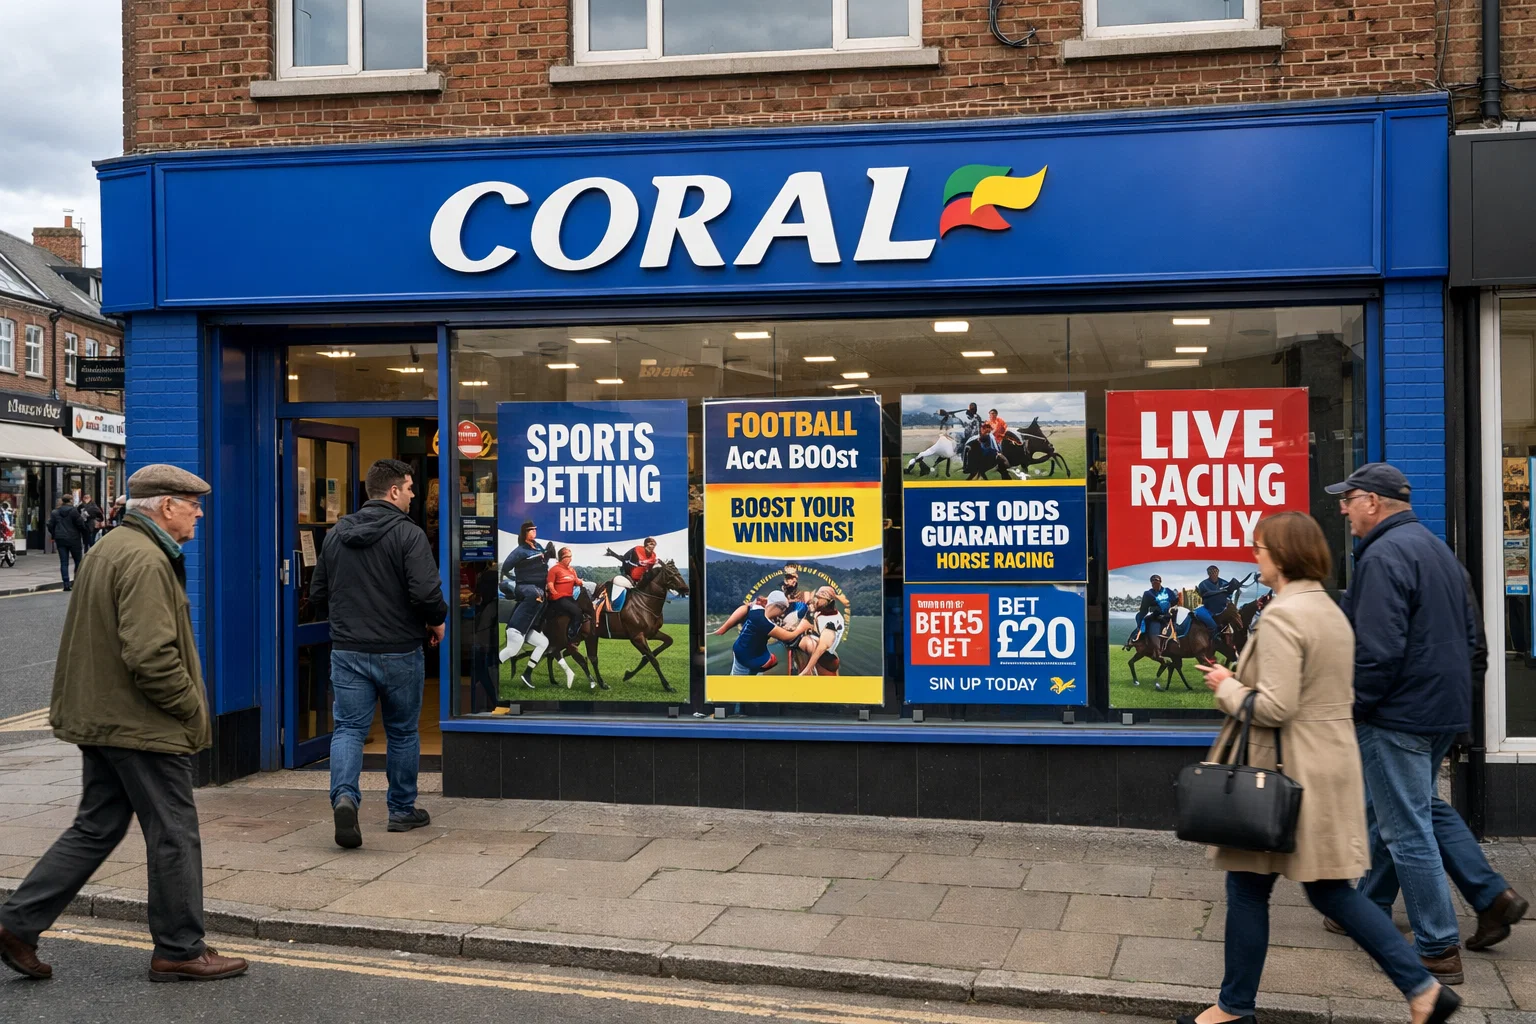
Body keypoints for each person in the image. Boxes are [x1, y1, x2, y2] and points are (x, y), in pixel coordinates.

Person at [1187, 511, 1458, 1024]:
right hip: (1324, 768)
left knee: (1271, 887)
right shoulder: (1328, 610)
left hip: (1283, 775)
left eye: (1261, 548)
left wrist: (1227, 686)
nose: (1254, 556)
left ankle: (1235, 1008)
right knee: (1316, 889)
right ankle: (1420, 990)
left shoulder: (1285, 616)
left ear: (1283, 556)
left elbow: (1275, 707)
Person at [0, 465, 248, 983]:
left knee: (97, 826)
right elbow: (152, 655)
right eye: (192, 503)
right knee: (175, 832)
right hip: (140, 724)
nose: (199, 513)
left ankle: (17, 923)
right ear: (164, 506)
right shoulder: (146, 559)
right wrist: (188, 706)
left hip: (103, 716)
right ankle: (180, 948)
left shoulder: (111, 548)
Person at [1325, 462, 1526, 981]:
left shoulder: (1381, 557)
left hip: (1397, 714)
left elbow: (1376, 651)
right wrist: (1460, 706)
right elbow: (1476, 644)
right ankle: (1481, 896)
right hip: (1441, 711)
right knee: (1414, 808)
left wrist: (1357, 707)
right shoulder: (1440, 553)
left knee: (1404, 828)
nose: (1343, 510)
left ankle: (1437, 947)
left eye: (1349, 500)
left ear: (1373, 501)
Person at [308, 458, 446, 850]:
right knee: (402, 731)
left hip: (349, 650)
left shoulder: (336, 535)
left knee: (349, 729)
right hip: (400, 650)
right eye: (410, 487)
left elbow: (318, 595)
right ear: (394, 491)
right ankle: (401, 810)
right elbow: (426, 593)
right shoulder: (409, 535)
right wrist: (437, 621)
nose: (414, 495)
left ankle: (346, 798)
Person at [497, 520, 554, 690]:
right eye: (531, 530)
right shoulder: (519, 551)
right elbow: (506, 568)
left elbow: (545, 562)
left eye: (535, 529)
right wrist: (515, 582)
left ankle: (527, 674)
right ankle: (490, 669)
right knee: (512, 651)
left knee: (543, 643)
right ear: (524, 533)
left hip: (526, 628)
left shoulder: (538, 547)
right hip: (524, 591)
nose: (534, 531)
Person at [728, 590, 811, 675]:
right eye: (783, 610)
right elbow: (787, 636)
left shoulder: (756, 610)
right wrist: (801, 628)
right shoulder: (766, 624)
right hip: (748, 660)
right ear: (780, 608)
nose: (782, 613)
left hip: (742, 652)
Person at [593, 536, 658, 617]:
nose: (652, 547)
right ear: (645, 545)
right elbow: (633, 561)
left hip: (640, 579)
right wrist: (650, 562)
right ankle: (606, 604)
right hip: (628, 575)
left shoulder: (653, 555)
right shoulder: (637, 550)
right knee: (620, 583)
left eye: (654, 545)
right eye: (650, 545)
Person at [795, 586, 847, 676]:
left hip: (824, 657)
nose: (816, 600)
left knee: (802, 641)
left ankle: (810, 672)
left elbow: (821, 648)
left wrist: (807, 669)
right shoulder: (821, 611)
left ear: (829, 601)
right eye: (816, 597)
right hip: (821, 649)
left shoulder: (832, 623)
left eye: (819, 598)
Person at [546, 547, 592, 643]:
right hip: (558, 598)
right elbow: (550, 583)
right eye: (568, 557)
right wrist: (554, 591)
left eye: (571, 556)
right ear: (561, 558)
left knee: (583, 610)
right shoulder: (554, 570)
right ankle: (572, 633)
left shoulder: (571, 570)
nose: (570, 559)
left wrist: (581, 582)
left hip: (569, 597)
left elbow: (576, 581)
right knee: (577, 612)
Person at [46, 495, 86, 591]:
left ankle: (66, 584)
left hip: (61, 539)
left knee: (64, 562)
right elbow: (81, 524)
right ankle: (77, 583)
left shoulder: (55, 512)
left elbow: (50, 524)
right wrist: (84, 534)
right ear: (71, 500)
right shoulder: (74, 511)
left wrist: (55, 534)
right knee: (78, 561)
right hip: (74, 539)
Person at [1133, 574, 1180, 656]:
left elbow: (1175, 601)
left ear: (1160, 581)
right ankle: (1138, 637)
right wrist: (1141, 618)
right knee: (1141, 619)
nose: (1155, 582)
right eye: (1153, 581)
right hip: (1156, 615)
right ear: (1151, 583)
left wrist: (1171, 606)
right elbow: (1144, 608)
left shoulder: (1168, 591)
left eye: (1157, 581)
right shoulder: (1148, 593)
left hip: (1168, 615)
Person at [1197, 565, 1249, 637]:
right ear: (1208, 573)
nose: (1214, 574)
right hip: (1210, 609)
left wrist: (1231, 590)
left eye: (1215, 571)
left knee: (1234, 613)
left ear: (1218, 572)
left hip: (1224, 608)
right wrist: (1221, 591)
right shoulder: (1203, 584)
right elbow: (1206, 593)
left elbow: (1229, 594)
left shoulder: (1224, 582)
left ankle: (1241, 632)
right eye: (1211, 572)